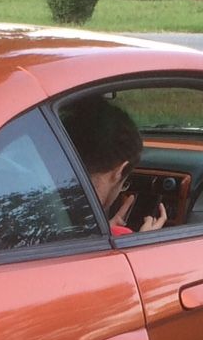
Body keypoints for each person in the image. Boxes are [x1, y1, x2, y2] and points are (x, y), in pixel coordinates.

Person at [60, 97, 168, 237]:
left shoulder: (53, 209)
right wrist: (142, 245)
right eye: (124, 184)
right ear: (120, 170)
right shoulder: (73, 235)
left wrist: (106, 231)